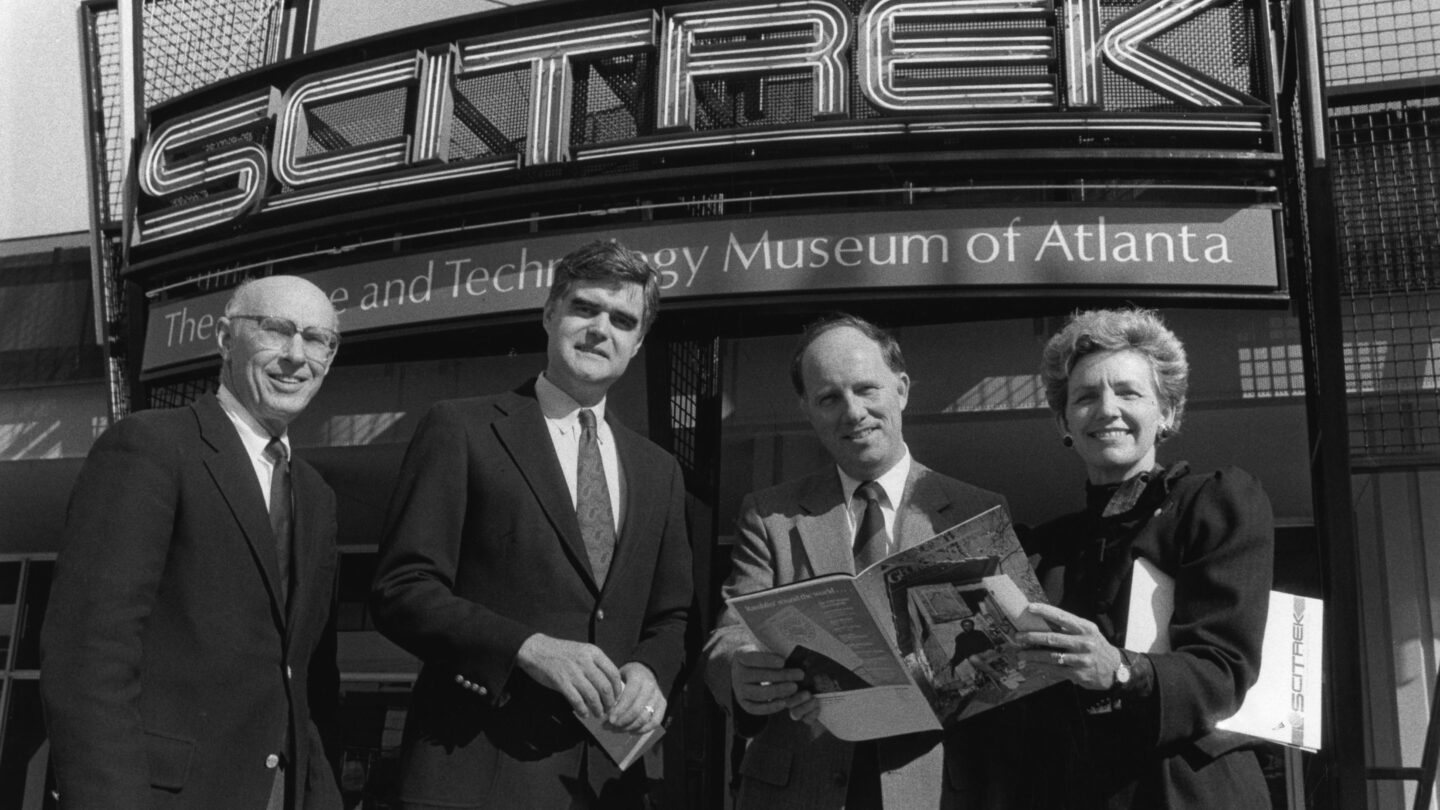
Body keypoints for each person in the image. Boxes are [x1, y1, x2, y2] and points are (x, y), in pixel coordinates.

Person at [369, 240, 693, 810]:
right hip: (475, 772)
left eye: (622, 319)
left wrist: (652, 670)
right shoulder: (461, 429)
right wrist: (527, 646)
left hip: (603, 786)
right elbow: (402, 590)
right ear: (549, 314)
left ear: (638, 342)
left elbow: (672, 617)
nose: (600, 329)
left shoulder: (659, 470)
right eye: (584, 308)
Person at [40, 276, 344, 810]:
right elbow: (89, 654)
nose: (298, 356)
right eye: (278, 330)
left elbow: (312, 681)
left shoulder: (317, 497)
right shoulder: (152, 445)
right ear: (226, 338)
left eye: (319, 340)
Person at [703, 313, 1006, 809]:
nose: (853, 412)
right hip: (798, 787)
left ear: (902, 389)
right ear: (806, 409)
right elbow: (730, 632)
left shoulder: (975, 512)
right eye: (829, 398)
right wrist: (739, 668)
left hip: (932, 787)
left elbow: (1000, 666)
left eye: (867, 389)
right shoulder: (768, 515)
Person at [1009, 307, 1274, 809]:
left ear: (1167, 412)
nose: (1106, 409)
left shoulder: (1213, 504)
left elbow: (1224, 671)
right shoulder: (1044, 548)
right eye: (1085, 397)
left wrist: (1120, 670)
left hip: (1182, 791)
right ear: (1064, 421)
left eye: (1128, 392)